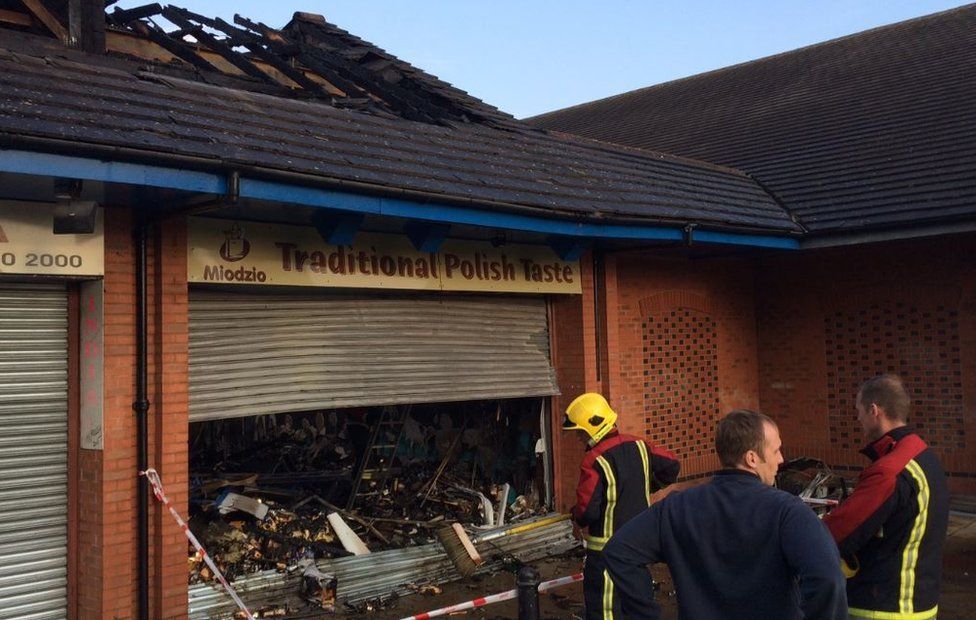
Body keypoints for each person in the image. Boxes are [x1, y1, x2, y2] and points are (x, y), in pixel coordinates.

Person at [604, 409, 847, 620]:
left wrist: (645, 615)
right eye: (776, 451)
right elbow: (828, 579)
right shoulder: (788, 511)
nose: (781, 460)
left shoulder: (676, 507)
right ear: (752, 458)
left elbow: (619, 551)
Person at [823, 374, 948, 620]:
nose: (858, 418)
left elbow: (836, 534)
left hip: (880, 607)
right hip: (919, 603)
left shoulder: (890, 470)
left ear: (874, 410)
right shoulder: (924, 457)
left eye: (858, 410)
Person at [562, 392, 680, 620]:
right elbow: (672, 466)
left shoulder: (594, 460)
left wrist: (575, 515)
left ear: (592, 427)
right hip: (639, 549)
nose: (578, 438)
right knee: (638, 605)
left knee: (605, 611)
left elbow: (587, 511)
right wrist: (648, 486)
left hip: (605, 554)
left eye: (580, 432)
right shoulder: (640, 445)